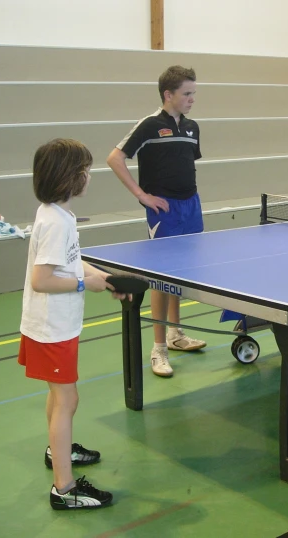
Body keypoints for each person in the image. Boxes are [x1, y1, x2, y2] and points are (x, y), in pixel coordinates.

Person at [19, 138, 127, 510]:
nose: (89, 176)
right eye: (85, 170)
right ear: (69, 178)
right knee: (68, 399)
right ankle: (64, 489)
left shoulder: (56, 214)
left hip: (56, 325)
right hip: (52, 328)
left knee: (59, 395)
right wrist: (85, 284)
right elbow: (42, 279)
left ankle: (57, 451)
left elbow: (72, 260)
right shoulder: (55, 223)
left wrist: (103, 278)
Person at [107, 65, 207, 378]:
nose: (192, 98)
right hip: (164, 210)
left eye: (193, 92)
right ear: (169, 94)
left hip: (191, 205)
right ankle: (158, 348)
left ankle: (176, 334)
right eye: (186, 93)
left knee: (180, 275)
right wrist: (142, 195)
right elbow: (114, 158)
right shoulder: (150, 125)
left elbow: (185, 166)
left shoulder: (192, 127)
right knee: (161, 277)